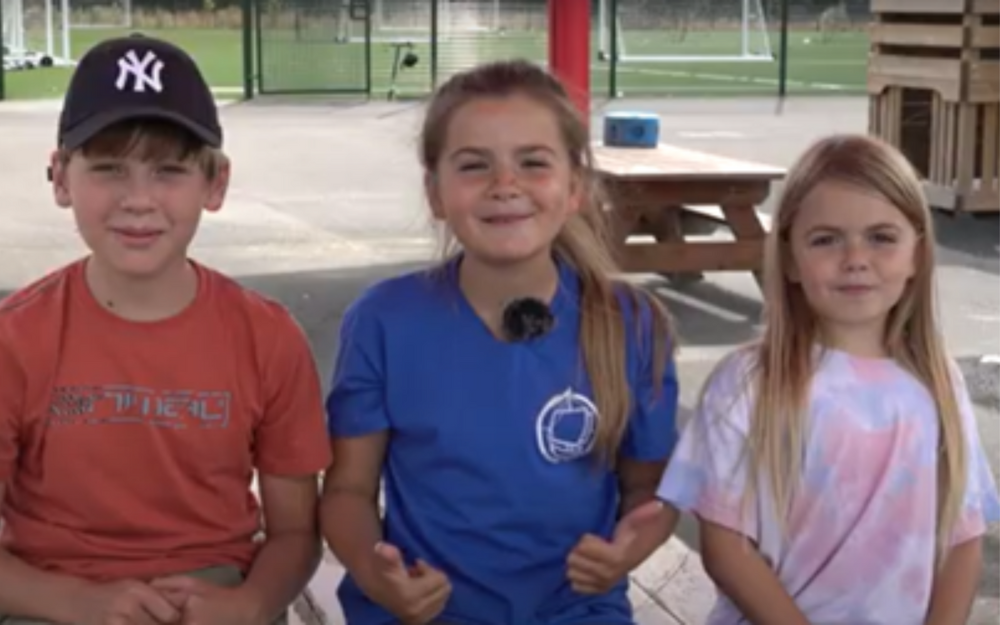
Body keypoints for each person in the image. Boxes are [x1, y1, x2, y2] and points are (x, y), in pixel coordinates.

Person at [320, 59, 680, 625]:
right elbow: (346, 492)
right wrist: (375, 573)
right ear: (435, 193)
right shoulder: (382, 321)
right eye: (473, 165)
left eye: (533, 163)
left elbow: (651, 490)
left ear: (574, 188)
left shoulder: (631, 324)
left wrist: (632, 546)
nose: (504, 185)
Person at [0, 35, 331, 625]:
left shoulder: (268, 338)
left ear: (216, 183)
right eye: (109, 169)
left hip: (217, 595)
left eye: (168, 170)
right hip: (48, 595)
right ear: (59, 178)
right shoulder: (15, 339)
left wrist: (250, 604)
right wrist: (80, 603)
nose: (139, 199)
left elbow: (297, 533)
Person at [656, 134, 1000, 625]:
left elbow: (963, 537)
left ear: (917, 255)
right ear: (791, 257)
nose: (855, 257)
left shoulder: (938, 381)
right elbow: (726, 547)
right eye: (826, 239)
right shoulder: (747, 384)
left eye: (881, 237)